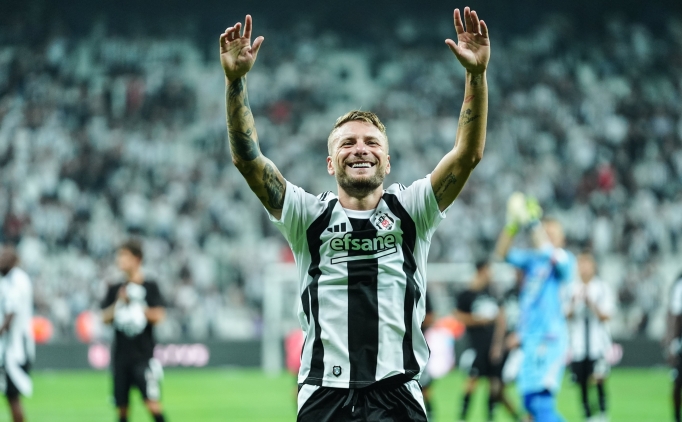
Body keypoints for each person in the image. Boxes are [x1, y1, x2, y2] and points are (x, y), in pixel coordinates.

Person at [220, 6, 489, 421]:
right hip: (325, 395)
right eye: (347, 143)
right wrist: (235, 82)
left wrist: (476, 75)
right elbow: (248, 160)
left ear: (387, 161)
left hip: (398, 393)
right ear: (331, 164)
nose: (360, 148)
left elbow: (467, 155)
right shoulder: (308, 216)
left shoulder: (412, 210)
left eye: (371, 142)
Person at [494, 193, 575, 422]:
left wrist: (532, 223)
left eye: (552, 234)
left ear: (561, 239)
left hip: (550, 338)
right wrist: (512, 225)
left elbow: (548, 251)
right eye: (545, 232)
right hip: (529, 338)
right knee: (529, 401)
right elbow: (502, 253)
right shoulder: (531, 260)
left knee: (542, 403)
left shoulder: (564, 259)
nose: (546, 236)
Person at [101, 240, 167, 422]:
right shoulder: (115, 288)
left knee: (152, 404)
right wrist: (119, 303)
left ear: (137, 259)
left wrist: (136, 303)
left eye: (124, 256)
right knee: (122, 409)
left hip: (143, 357)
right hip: (120, 358)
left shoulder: (150, 286)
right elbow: (104, 318)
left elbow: (159, 316)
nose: (120, 260)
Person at [565, 252, 614, 422]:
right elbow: (565, 315)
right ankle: (588, 416)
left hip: (598, 344)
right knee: (582, 383)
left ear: (593, 267)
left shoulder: (602, 287)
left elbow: (606, 315)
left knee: (599, 378)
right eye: (581, 265)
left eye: (587, 264)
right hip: (578, 344)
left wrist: (591, 303)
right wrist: (574, 303)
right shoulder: (571, 288)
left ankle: (602, 414)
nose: (584, 269)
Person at [0, 247, 35, 422]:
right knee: (10, 396)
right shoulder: (10, 279)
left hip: (15, 348)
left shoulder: (16, 279)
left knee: (12, 396)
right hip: (12, 346)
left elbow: (11, 312)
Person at [666, 270, 682, 422]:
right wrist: (672, 342)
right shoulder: (680, 285)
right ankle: (677, 417)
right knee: (678, 383)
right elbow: (675, 316)